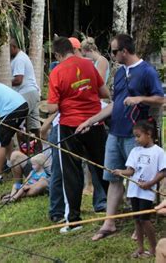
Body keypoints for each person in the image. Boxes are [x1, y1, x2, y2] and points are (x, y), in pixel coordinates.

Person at [76, 34, 164, 241]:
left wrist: (140, 98)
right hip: (115, 132)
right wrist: (89, 121)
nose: (112, 55)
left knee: (139, 179)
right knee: (113, 177)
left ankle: (141, 225)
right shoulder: (118, 73)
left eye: (115, 51)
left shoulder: (147, 71)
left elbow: (160, 98)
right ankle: (109, 222)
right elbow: (115, 104)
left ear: (125, 51)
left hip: (137, 136)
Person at [46, 37, 110, 233]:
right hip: (95, 123)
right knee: (102, 168)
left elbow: (53, 107)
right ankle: (114, 213)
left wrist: (46, 106)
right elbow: (104, 93)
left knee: (71, 173)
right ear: (73, 50)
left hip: (70, 126)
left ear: (58, 54)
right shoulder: (89, 65)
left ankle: (73, 220)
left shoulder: (56, 71)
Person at [112, 119, 165, 258]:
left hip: (146, 192)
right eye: (135, 136)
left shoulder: (158, 152)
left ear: (149, 134)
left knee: (145, 219)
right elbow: (131, 171)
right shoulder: (135, 151)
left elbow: (163, 172)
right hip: (134, 191)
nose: (136, 139)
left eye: (138, 136)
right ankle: (140, 248)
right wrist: (120, 172)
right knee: (136, 219)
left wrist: (150, 183)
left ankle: (153, 249)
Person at [10, 38, 42, 152]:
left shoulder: (19, 59)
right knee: (34, 125)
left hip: (26, 92)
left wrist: (4, 81)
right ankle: (38, 149)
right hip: (32, 92)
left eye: (9, 49)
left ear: (13, 47)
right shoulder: (18, 57)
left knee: (16, 122)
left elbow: (18, 80)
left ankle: (20, 152)